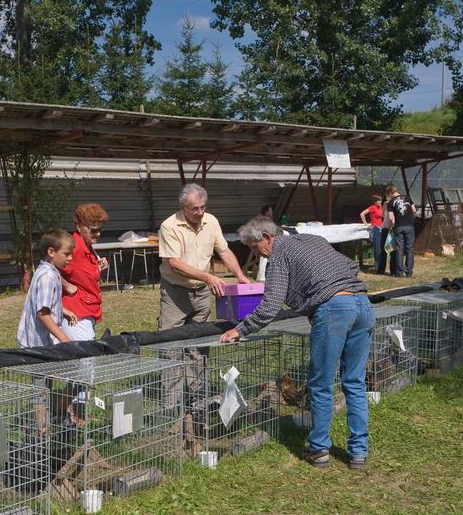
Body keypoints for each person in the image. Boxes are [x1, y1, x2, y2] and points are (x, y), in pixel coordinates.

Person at [220, 216, 373, 470]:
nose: (256, 254)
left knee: (321, 385)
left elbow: (270, 306)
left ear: (267, 238)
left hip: (334, 311)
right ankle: (359, 453)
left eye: (254, 247)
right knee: (355, 382)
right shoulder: (313, 240)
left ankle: (319, 449)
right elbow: (349, 265)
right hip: (362, 304)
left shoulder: (278, 255)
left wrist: (240, 329)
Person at [157, 183, 251, 330]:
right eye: (195, 208)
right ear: (183, 207)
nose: (200, 212)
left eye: (203, 207)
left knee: (201, 334)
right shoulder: (169, 226)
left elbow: (224, 251)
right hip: (176, 292)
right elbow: (175, 264)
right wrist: (208, 278)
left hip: (202, 292)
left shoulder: (211, 221)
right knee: (170, 337)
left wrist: (240, 275)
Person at [16, 229, 79, 347]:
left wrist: (63, 311)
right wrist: (65, 339)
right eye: (66, 254)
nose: (70, 258)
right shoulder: (48, 277)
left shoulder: (46, 269)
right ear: (51, 252)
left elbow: (42, 302)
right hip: (38, 346)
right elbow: (42, 314)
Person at [60, 203, 110, 341]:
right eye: (93, 230)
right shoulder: (73, 247)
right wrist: (66, 285)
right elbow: (49, 270)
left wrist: (97, 268)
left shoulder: (87, 246)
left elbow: (80, 272)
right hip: (76, 315)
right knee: (86, 354)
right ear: (79, 227)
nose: (98, 234)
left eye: (100, 230)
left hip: (86, 311)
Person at [385, 184, 417, 277]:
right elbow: (414, 210)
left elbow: (390, 218)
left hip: (398, 227)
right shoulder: (407, 198)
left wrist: (390, 227)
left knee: (399, 248)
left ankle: (399, 272)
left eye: (388, 195)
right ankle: (409, 271)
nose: (388, 197)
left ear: (390, 192)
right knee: (409, 248)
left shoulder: (391, 202)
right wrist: (411, 220)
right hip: (410, 226)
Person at [359, 195, 383, 273]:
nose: (379, 202)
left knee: (381, 248)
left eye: (380, 200)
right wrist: (365, 223)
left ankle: (381, 266)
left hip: (381, 228)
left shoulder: (381, 207)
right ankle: (377, 268)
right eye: (378, 200)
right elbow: (362, 214)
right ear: (374, 202)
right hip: (375, 228)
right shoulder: (372, 207)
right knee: (377, 249)